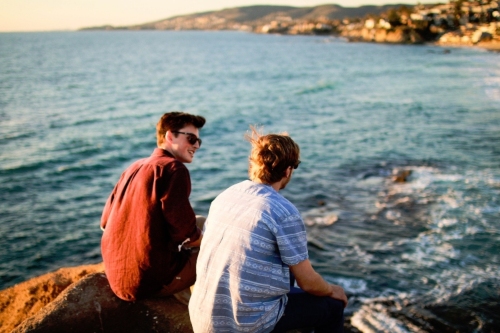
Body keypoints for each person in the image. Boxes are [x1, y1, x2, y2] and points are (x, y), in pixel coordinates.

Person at [189, 127, 347, 333]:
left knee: (285, 267)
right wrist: (332, 290)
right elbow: (308, 283)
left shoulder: (225, 196)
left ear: (253, 164)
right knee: (333, 308)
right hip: (242, 326)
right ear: (287, 170)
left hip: (202, 317)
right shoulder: (283, 211)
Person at [100, 111, 206, 302]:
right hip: (147, 282)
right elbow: (186, 234)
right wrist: (209, 242)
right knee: (220, 249)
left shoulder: (134, 167)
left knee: (202, 221)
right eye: (191, 139)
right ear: (170, 136)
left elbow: (105, 223)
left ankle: (181, 295)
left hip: (117, 280)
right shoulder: (174, 169)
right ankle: (204, 312)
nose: (196, 146)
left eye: (199, 141)